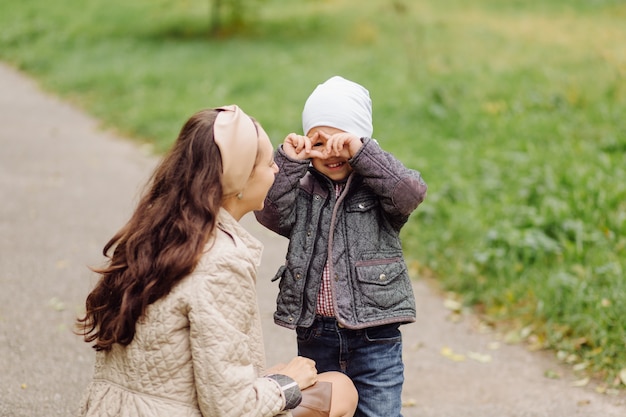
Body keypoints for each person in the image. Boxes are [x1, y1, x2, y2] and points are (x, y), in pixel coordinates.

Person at [75, 105, 358, 417]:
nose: (276, 170)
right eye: (267, 164)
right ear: (237, 182)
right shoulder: (220, 262)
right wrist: (287, 383)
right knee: (338, 387)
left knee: (280, 373)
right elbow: (229, 408)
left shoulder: (152, 233)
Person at [254, 76, 428, 417]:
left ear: (360, 141)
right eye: (322, 143)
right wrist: (291, 161)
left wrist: (362, 153)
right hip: (316, 331)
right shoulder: (303, 189)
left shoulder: (379, 190)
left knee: (379, 411)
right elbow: (268, 210)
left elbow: (410, 193)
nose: (332, 153)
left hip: (375, 335)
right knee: (322, 410)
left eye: (342, 142)